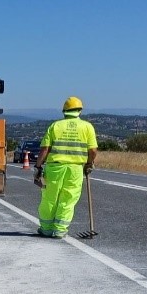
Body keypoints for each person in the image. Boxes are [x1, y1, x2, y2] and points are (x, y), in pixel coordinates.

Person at [33, 96, 98, 238]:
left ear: (64, 111)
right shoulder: (87, 127)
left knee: (49, 198)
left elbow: (45, 149)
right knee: (68, 199)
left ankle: (46, 228)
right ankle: (60, 230)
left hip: (54, 168)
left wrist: (38, 167)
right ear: (80, 110)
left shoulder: (55, 126)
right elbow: (93, 150)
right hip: (75, 169)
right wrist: (89, 163)